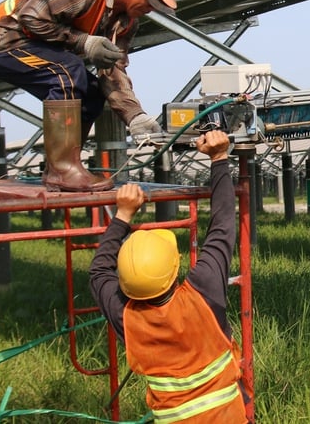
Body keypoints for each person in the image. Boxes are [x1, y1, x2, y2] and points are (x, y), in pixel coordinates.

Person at [0, 0, 187, 191]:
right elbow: (32, 16)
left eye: (159, 5)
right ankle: (63, 172)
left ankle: (62, 167)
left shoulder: (125, 23)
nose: (150, 8)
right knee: (67, 72)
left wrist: (134, 115)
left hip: (29, 46)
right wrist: (82, 42)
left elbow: (112, 72)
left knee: (92, 94)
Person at [88, 130, 250, 423]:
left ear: (124, 283)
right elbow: (223, 225)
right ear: (175, 269)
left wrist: (122, 215)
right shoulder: (202, 293)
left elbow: (99, 271)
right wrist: (219, 157)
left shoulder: (126, 317)